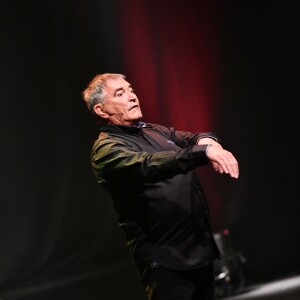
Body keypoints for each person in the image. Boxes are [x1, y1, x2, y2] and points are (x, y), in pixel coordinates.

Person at [82, 73, 239, 300]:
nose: (132, 96)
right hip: (167, 264)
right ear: (101, 110)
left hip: (198, 253)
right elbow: (150, 165)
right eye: (120, 93)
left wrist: (209, 145)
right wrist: (203, 153)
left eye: (131, 89)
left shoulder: (152, 130)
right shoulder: (106, 150)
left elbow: (195, 138)